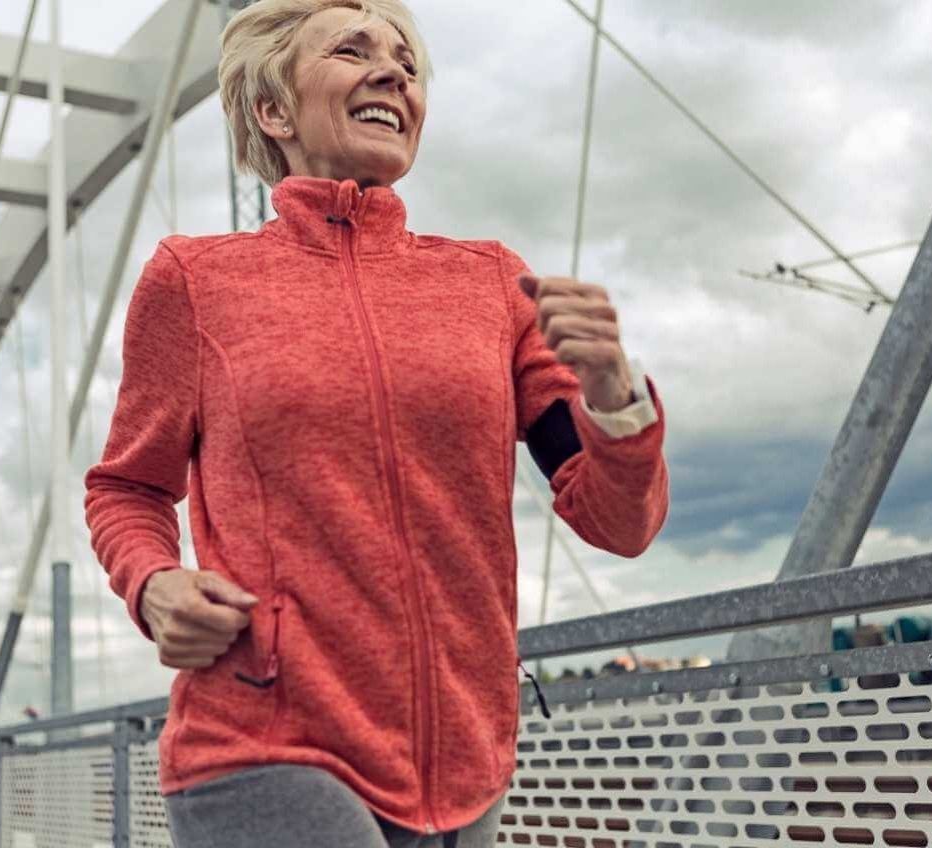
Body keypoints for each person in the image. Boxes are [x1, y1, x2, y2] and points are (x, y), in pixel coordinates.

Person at [82, 1, 670, 845]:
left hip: (466, 754)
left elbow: (618, 523)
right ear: (274, 111)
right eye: (352, 51)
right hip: (264, 734)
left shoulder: (494, 286)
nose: (394, 72)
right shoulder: (195, 280)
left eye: (408, 62)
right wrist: (154, 583)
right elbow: (127, 487)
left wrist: (616, 391)